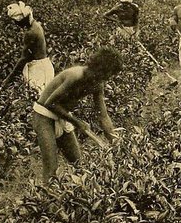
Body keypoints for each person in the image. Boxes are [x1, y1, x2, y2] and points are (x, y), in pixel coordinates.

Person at [32, 47, 122, 183]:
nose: (108, 78)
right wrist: (76, 122)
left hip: (62, 116)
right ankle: (45, 202)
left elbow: (103, 116)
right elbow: (50, 103)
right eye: (108, 74)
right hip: (44, 115)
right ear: (101, 68)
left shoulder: (97, 84)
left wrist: (115, 142)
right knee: (52, 170)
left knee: (79, 166)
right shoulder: (75, 76)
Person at [0, 2, 54, 96]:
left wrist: (5, 83)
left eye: (16, 21)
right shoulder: (36, 25)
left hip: (40, 71)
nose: (15, 24)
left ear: (23, 19)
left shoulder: (30, 33)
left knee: (36, 101)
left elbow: (23, 59)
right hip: (43, 67)